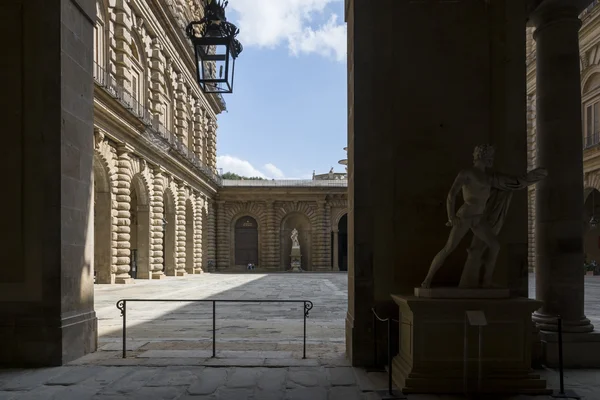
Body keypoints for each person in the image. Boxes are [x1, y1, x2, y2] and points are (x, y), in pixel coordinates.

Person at [421, 144, 547, 289]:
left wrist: (531, 178)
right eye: (490, 157)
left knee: (495, 245)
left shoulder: (488, 177)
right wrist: (451, 217)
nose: (492, 159)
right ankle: (427, 280)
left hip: (478, 219)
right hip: (466, 216)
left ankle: (486, 281)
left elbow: (511, 182)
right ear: (481, 156)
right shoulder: (467, 173)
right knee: (448, 248)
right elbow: (451, 194)